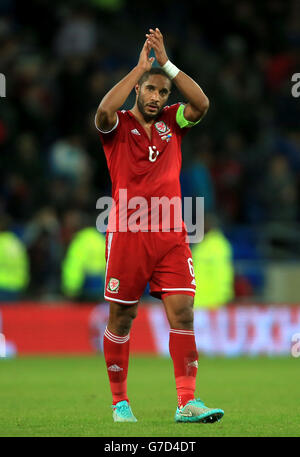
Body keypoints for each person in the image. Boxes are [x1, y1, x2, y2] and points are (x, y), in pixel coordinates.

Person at [95, 28, 224, 424]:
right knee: (122, 318)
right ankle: (120, 402)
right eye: (151, 90)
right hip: (128, 233)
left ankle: (186, 402)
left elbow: (201, 103)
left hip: (170, 234)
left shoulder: (174, 122)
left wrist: (166, 65)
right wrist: (138, 69)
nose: (156, 97)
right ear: (139, 91)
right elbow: (101, 113)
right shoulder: (117, 126)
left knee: (183, 313)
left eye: (162, 92)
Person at [193, 213, 234, 309]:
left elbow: (222, 273)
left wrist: (223, 298)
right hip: (199, 302)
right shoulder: (202, 244)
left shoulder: (217, 245)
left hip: (212, 304)